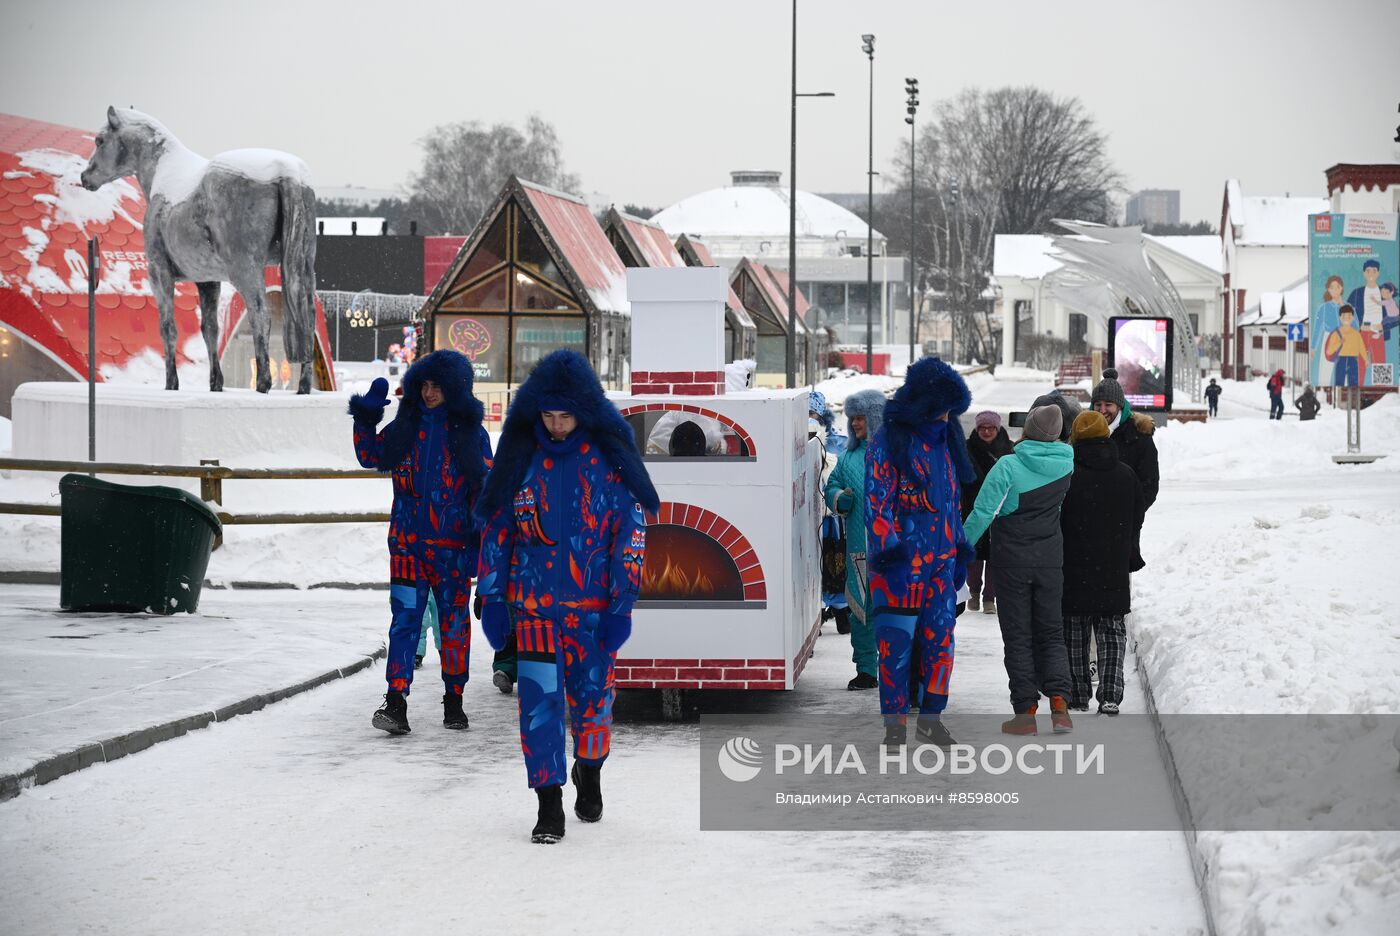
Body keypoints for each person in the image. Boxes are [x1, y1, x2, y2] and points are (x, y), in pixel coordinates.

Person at [474, 349, 658, 845]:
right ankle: (548, 804)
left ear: (584, 413)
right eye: (548, 416)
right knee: (539, 710)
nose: (556, 426)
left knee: (593, 706)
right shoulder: (520, 465)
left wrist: (622, 605)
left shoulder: (609, 467)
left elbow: (631, 537)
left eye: (566, 416)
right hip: (533, 614)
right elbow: (497, 535)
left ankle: (589, 770)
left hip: (592, 614)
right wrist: (492, 598)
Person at [348, 351, 492, 734]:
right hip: (408, 546)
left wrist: (480, 549)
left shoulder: (471, 434)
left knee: (455, 624)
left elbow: (486, 494)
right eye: (424, 385)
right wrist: (366, 415)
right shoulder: (404, 428)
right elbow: (369, 455)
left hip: (454, 550)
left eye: (438, 386)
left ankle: (454, 699)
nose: (429, 393)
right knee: (404, 621)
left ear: (455, 389)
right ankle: (395, 702)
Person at [865, 358, 974, 748]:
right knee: (895, 648)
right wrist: (888, 555)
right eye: (944, 408)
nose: (948, 416)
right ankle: (894, 726)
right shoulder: (889, 439)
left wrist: (959, 547)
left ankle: (931, 718)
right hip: (901, 566)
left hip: (942, 562)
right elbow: (876, 503)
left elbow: (952, 499)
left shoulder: (948, 438)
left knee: (941, 642)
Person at [963, 404, 1076, 735]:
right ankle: (1060, 706)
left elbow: (982, 513)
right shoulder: (1068, 463)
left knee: (1018, 636)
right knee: (1052, 632)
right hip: (1050, 560)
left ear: (1027, 429)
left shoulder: (1007, 466)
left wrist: (960, 549)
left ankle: (1025, 712)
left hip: (1011, 561)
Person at [1061, 411, 1145, 716]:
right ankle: (1110, 694)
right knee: (1111, 631)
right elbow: (1138, 515)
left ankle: (1078, 695)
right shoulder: (1125, 473)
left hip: (1073, 565)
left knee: (1074, 633)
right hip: (1113, 565)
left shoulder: (1066, 474)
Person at [824, 389, 886, 691]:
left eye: (860, 418)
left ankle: (896, 668)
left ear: (875, 418)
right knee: (861, 612)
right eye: (852, 419)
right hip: (859, 548)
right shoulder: (848, 457)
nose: (855, 424)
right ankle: (866, 669)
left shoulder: (895, 455)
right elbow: (832, 486)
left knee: (893, 614)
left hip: (892, 551)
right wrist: (839, 498)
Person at [963, 411, 1015, 614]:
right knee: (974, 553)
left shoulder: (1008, 448)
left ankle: (990, 598)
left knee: (995, 555)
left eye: (991, 428)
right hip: (972, 505)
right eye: (982, 428)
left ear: (998, 428)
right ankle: (974, 592)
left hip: (1000, 508)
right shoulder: (966, 448)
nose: (986, 431)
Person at [809, 391, 851, 636]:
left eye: (814, 413)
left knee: (834, 562)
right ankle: (818, 609)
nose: (810, 418)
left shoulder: (837, 441)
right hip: (808, 515)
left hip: (831, 518)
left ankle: (840, 609)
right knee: (813, 563)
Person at [1090, 369, 1160, 510]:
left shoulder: (1139, 436)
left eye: (1108, 404)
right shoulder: (1084, 433)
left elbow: (1149, 485)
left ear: (1119, 406)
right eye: (1098, 404)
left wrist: (1130, 515)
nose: (1102, 410)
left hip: (1124, 523)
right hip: (1087, 522)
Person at [1324, 305, 1368, 388]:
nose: (1347, 318)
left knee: (1354, 384)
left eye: (1349, 316)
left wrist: (1366, 359)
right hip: (1341, 360)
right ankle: (1339, 398)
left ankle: (1353, 399)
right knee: (1339, 384)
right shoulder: (1336, 333)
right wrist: (1339, 343)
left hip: (1353, 360)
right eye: (1344, 316)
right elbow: (1329, 351)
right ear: (1340, 317)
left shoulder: (1356, 334)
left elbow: (1361, 347)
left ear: (1352, 317)